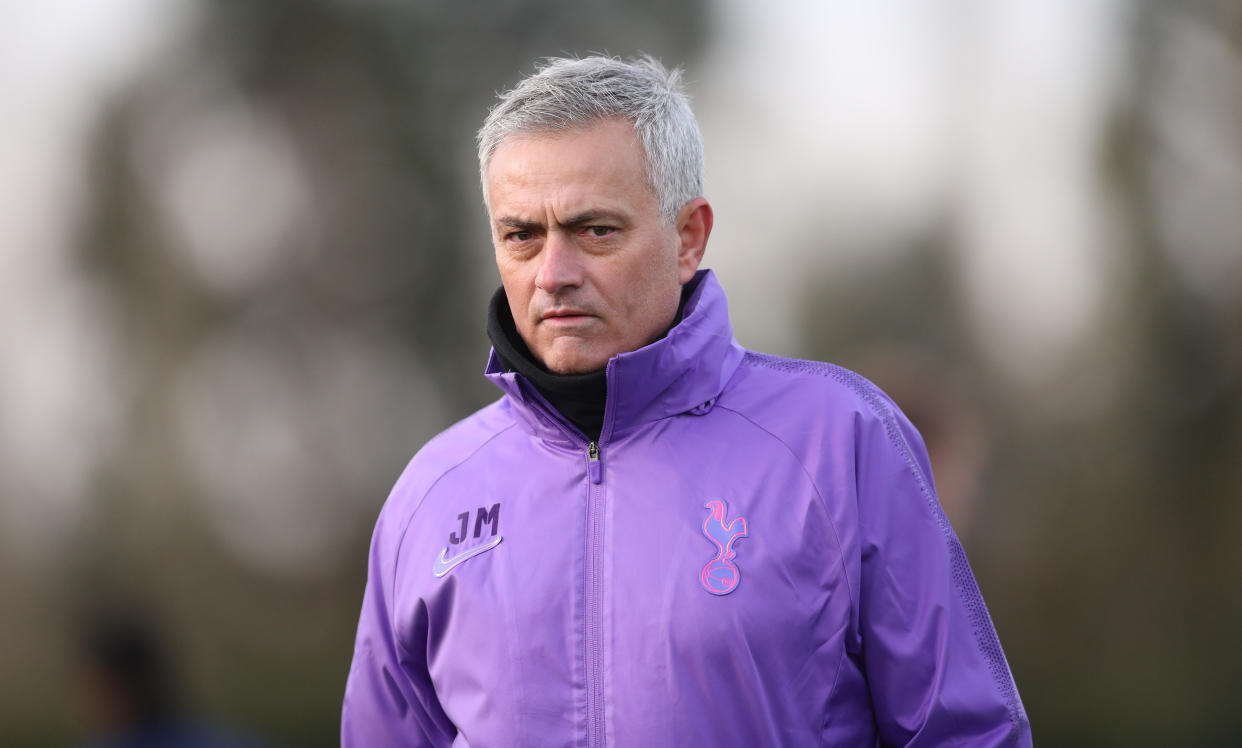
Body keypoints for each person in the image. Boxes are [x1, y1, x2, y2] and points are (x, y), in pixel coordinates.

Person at [342, 55, 1032, 747]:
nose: (554, 274)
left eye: (594, 230)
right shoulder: (430, 496)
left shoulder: (840, 443)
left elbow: (969, 735)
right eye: (522, 235)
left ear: (688, 237)